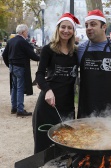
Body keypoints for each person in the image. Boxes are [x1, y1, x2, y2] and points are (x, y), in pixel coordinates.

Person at [32, 13, 80, 153]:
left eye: (69, 28)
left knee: (66, 142)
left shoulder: (76, 51)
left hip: (67, 104)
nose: (66, 30)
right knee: (44, 142)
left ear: (73, 31)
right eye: (63, 27)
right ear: (58, 28)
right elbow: (39, 74)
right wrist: (47, 90)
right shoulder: (48, 49)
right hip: (48, 102)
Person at [2, 24, 40, 116]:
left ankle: (14, 107)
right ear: (23, 32)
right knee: (20, 88)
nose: (27, 34)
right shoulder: (23, 42)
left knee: (14, 87)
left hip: (12, 66)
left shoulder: (11, 41)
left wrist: (9, 65)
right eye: (27, 32)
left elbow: (4, 55)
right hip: (20, 67)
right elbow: (32, 55)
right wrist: (41, 58)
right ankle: (20, 110)